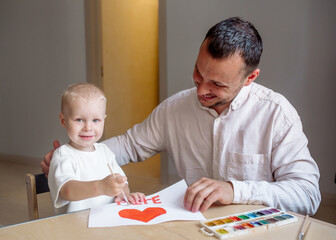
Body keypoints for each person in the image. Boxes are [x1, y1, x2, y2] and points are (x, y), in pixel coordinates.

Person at [42, 17, 320, 215]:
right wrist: (79, 154)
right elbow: (128, 146)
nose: (202, 90)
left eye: (218, 84)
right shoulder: (175, 109)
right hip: (192, 228)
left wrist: (236, 191)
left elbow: (307, 195)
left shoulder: (276, 114)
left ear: (251, 78)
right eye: (199, 73)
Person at [48, 83, 145, 213]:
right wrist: (101, 187)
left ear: (104, 120)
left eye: (95, 120)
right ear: (63, 120)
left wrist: (124, 194)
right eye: (79, 120)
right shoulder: (63, 155)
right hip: (74, 227)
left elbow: (121, 182)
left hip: (106, 219)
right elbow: (67, 191)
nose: (88, 127)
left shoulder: (104, 151)